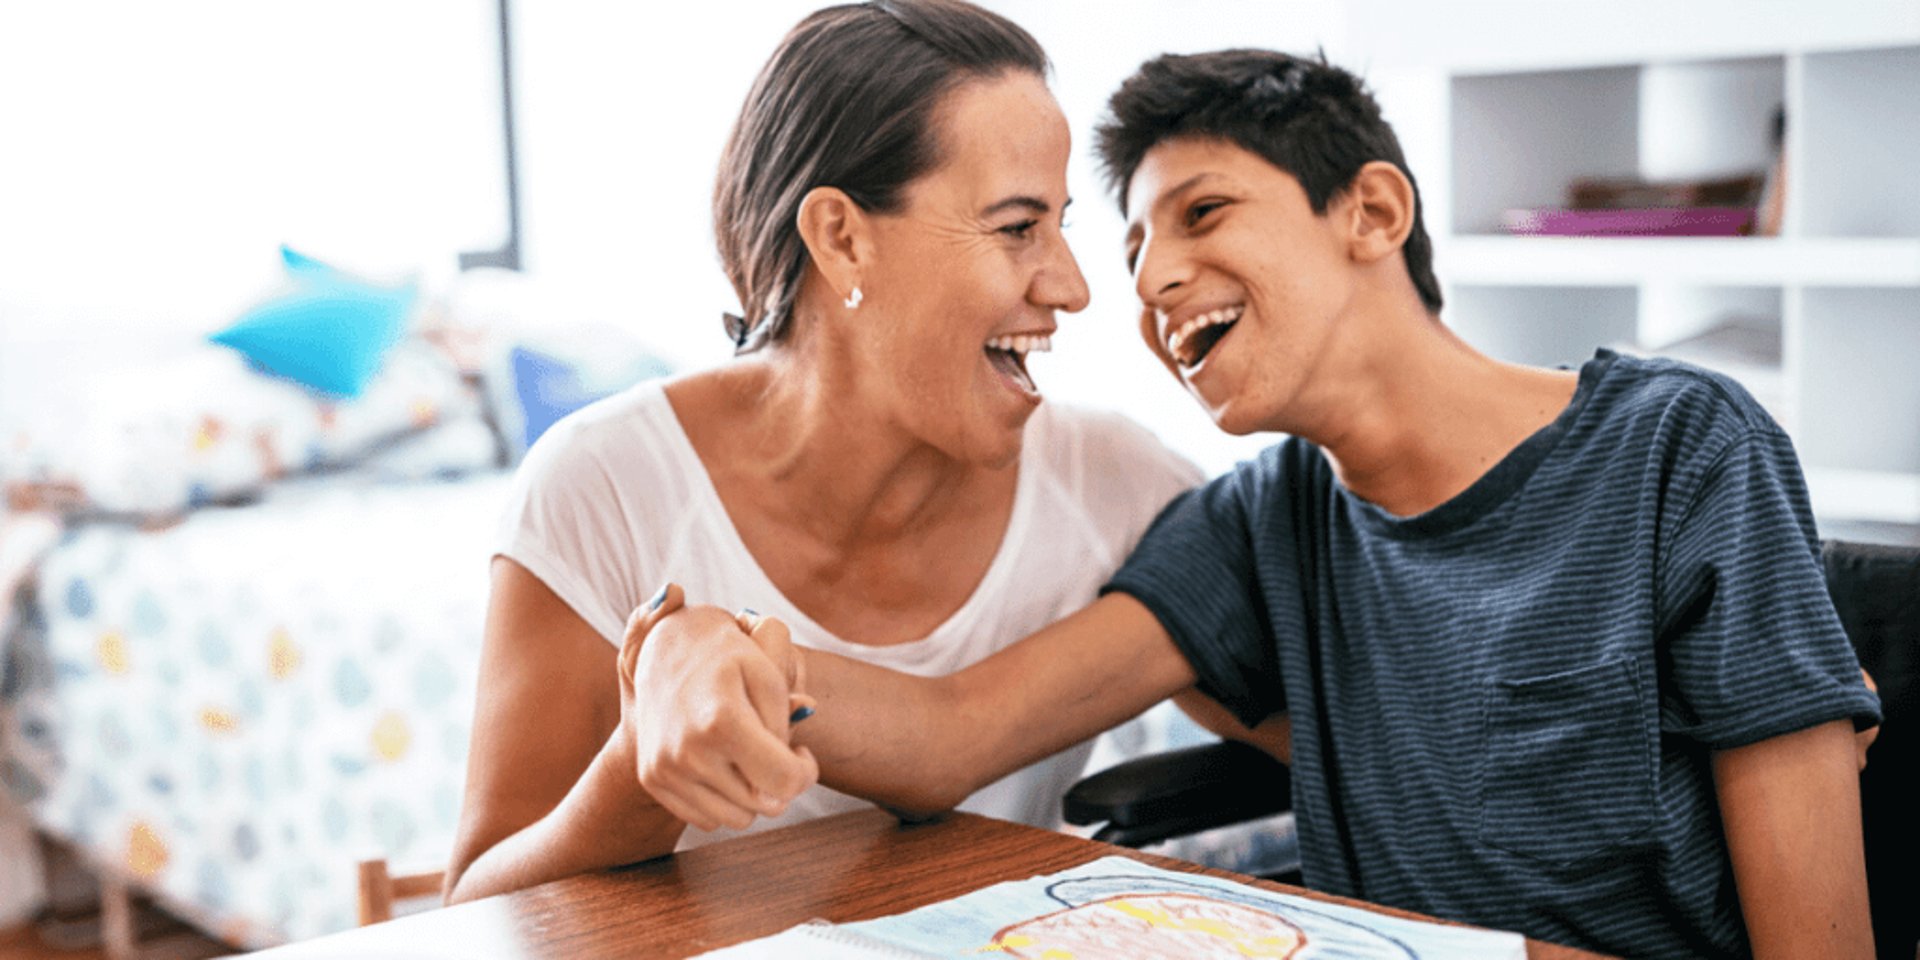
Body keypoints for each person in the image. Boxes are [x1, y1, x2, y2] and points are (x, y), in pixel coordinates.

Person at [632, 50, 1882, 960]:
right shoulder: (1262, 519)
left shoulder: (1681, 451)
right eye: (1129, 252)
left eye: (1204, 212)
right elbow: (954, 729)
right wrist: (706, 652)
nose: (1150, 279)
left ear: (1372, 212)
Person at [440, 0, 1207, 905]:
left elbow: (1310, 711)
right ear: (842, 237)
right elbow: (476, 917)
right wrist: (642, 765)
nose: (1073, 287)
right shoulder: (601, 487)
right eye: (1015, 228)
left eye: (1060, 224)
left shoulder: (1112, 482)